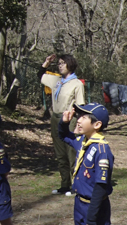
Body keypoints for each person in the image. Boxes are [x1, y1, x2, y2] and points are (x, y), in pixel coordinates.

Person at [59, 103, 120, 225]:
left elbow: (101, 187)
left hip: (96, 205)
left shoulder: (102, 150)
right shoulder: (84, 142)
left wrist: (93, 215)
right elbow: (64, 136)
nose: (80, 119)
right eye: (80, 116)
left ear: (97, 124)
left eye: (84, 117)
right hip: (81, 203)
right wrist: (63, 123)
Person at [39, 54, 85, 195]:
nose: (60, 65)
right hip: (55, 118)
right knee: (60, 154)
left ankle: (76, 186)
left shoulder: (77, 83)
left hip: (69, 119)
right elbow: (40, 75)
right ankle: (65, 184)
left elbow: (81, 105)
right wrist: (47, 62)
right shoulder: (57, 81)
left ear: (70, 65)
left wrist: (79, 124)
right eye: (59, 63)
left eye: (63, 63)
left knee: (71, 153)